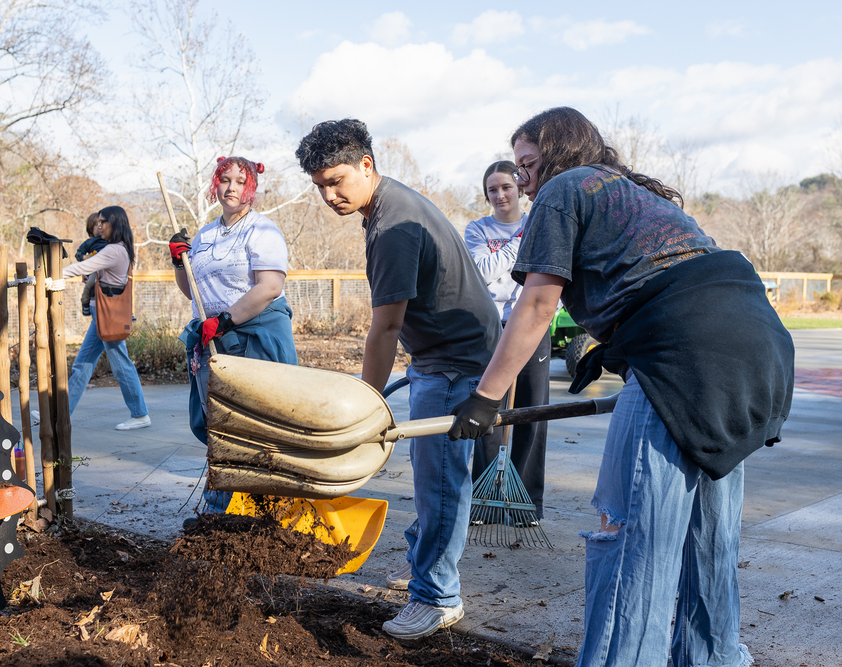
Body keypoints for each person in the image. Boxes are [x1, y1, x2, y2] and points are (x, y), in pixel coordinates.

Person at [448, 107, 793, 667]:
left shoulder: (565, 189)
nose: (524, 178)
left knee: (632, 535)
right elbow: (655, 275)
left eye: (528, 163)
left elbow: (537, 304)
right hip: (754, 351)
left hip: (682, 359)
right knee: (709, 537)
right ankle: (714, 657)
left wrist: (486, 398)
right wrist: (606, 342)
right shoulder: (629, 193)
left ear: (559, 153)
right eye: (518, 166)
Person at [296, 119, 501, 640]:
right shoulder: (391, 205)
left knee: (440, 484)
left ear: (367, 164)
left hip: (455, 363)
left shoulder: (392, 227)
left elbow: (384, 328)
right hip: (449, 353)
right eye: (320, 185)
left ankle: (436, 597)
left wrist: (366, 404)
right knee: (436, 480)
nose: (329, 194)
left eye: (337, 180)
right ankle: (426, 567)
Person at [171, 156, 298, 515]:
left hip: (253, 336)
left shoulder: (263, 230)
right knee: (218, 426)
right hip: (212, 338)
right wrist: (180, 262)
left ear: (251, 188)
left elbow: (270, 287)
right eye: (224, 180)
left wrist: (225, 320)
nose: (231, 187)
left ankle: (266, 509)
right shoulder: (205, 235)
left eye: (240, 182)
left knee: (253, 426)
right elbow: (191, 290)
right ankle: (220, 511)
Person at [464, 160, 549, 521]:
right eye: (492, 190)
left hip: (530, 324)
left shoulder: (539, 223)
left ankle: (526, 501)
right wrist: (521, 247)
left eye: (506, 188)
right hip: (491, 324)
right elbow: (481, 273)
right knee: (487, 408)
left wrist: (523, 243)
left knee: (533, 410)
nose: (500, 195)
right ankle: (484, 499)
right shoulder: (477, 229)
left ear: (519, 190)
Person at [61, 206, 151, 431]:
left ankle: (140, 414)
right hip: (101, 315)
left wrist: (49, 275)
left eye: (103, 222)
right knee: (82, 365)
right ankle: (61, 413)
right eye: (98, 222)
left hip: (107, 316)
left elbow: (82, 266)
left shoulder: (114, 250)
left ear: (115, 223)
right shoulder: (118, 249)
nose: (99, 226)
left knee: (121, 365)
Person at [75, 213, 109, 317]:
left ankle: (128, 310)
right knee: (90, 284)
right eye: (97, 225)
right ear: (90, 229)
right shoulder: (89, 242)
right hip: (95, 269)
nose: (100, 227)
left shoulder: (109, 240)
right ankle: (85, 302)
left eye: (102, 224)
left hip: (108, 268)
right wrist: (89, 257)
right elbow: (78, 255)